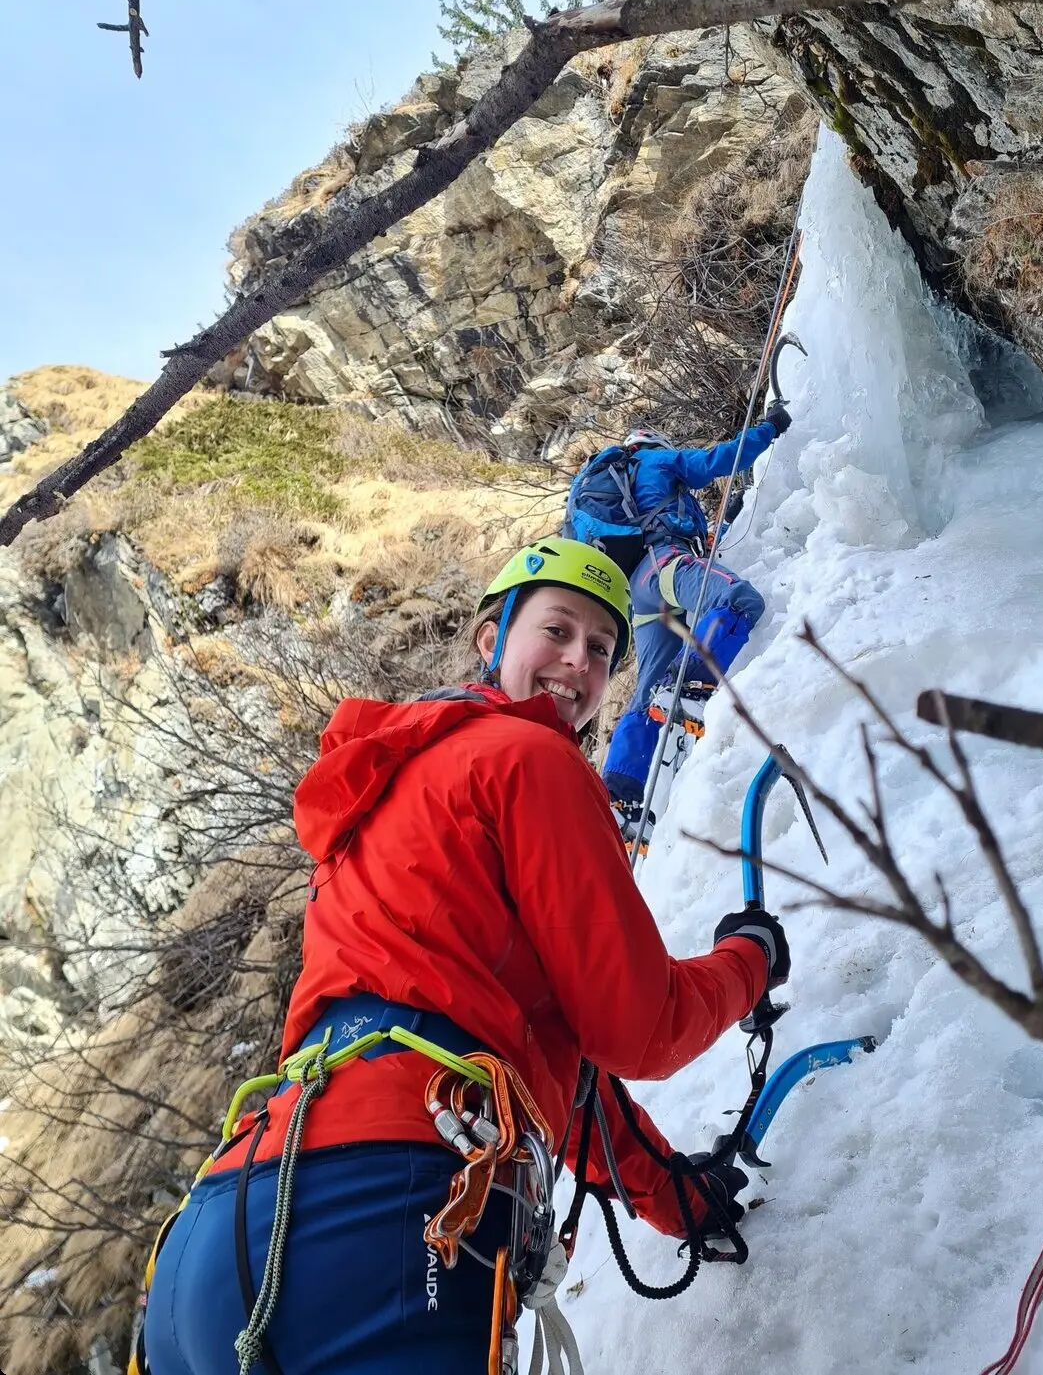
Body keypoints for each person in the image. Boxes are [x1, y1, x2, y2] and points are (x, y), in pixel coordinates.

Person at [141, 536, 790, 1375]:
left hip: (219, 1229)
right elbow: (640, 1026)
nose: (579, 663)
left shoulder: (381, 799)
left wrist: (679, 1198)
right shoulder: (529, 758)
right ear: (492, 638)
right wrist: (748, 959)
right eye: (558, 630)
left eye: (601, 649)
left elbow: (544, 1073)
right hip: (395, 1203)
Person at [601, 406, 793, 841]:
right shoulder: (658, 460)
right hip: (664, 564)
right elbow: (714, 462)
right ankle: (691, 682)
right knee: (737, 599)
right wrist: (770, 429)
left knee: (647, 687)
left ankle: (620, 792)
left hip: (640, 590)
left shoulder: (622, 489)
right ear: (654, 444)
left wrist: (730, 519)